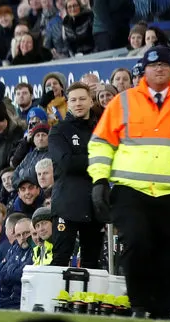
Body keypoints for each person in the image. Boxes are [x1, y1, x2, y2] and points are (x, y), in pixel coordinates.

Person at [88, 46, 170, 319]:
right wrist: (99, 180)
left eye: (164, 65)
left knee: (168, 253)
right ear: (144, 70)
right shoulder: (122, 102)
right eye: (153, 64)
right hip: (130, 190)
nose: (159, 69)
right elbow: (101, 143)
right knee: (136, 243)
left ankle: (161, 312)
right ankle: (138, 305)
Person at [49, 82, 103, 268]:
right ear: (68, 103)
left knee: (92, 262)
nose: (78, 103)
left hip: (94, 205)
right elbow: (66, 163)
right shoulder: (58, 130)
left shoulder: (100, 130)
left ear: (90, 101)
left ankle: (88, 298)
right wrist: (96, 160)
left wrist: (80, 158)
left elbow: (111, 159)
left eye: (82, 99)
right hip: (67, 205)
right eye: (73, 100)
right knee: (60, 260)